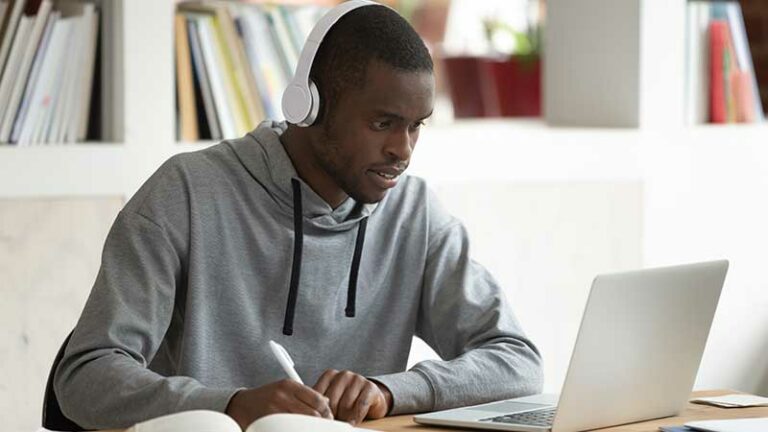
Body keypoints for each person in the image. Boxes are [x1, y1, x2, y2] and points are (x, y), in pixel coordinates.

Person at [55, 2, 543, 430]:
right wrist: (232, 405)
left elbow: (518, 361)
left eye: (416, 126)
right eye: (382, 123)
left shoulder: (414, 214)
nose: (403, 149)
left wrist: (388, 391)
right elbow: (85, 376)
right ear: (309, 106)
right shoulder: (185, 194)